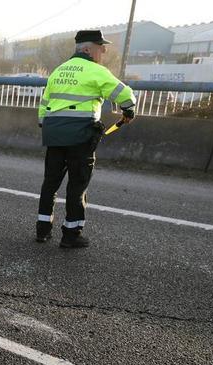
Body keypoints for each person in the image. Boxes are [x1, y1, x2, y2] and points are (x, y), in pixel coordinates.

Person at [36, 30, 137, 248]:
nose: (104, 51)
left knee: (50, 183)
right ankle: (71, 235)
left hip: (54, 134)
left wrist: (46, 124)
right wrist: (128, 111)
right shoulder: (95, 70)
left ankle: (42, 230)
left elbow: (44, 106)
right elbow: (125, 94)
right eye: (101, 47)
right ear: (87, 49)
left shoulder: (58, 71)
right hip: (80, 136)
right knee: (77, 185)